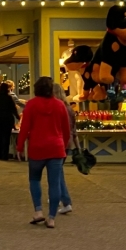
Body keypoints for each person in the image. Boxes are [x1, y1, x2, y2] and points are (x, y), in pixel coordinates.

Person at [17, 76, 72, 229]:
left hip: (37, 148)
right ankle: (52, 217)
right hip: (56, 148)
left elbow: (25, 128)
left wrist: (20, 147)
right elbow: (66, 129)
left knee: (34, 180)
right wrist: (64, 144)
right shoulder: (60, 105)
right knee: (54, 183)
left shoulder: (31, 105)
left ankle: (38, 211)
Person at [51, 83, 78, 215]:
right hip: (68, 142)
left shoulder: (57, 108)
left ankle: (65, 200)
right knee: (58, 170)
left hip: (59, 142)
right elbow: (74, 129)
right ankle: (58, 196)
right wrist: (77, 145)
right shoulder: (69, 108)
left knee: (57, 172)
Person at [0, 83, 20, 160]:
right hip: (7, 119)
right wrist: (18, 117)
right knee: (6, 137)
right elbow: (13, 109)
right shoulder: (9, 97)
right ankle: (4, 155)